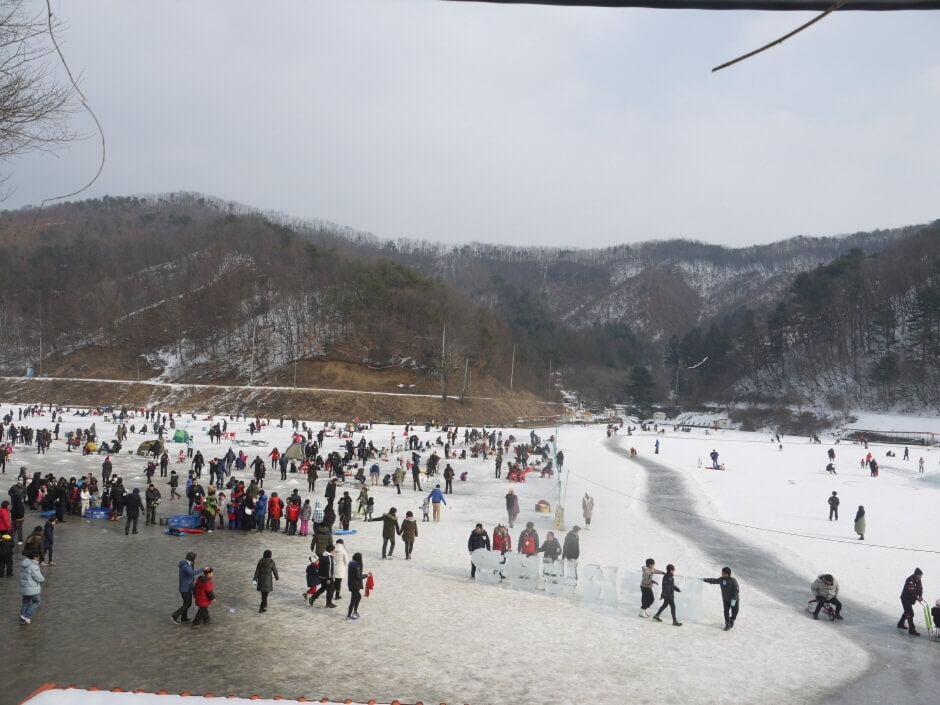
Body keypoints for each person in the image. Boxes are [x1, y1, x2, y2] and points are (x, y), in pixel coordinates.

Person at [171, 551, 204, 624]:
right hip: (185, 588)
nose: (196, 559)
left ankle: (184, 618)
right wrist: (202, 569)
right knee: (187, 604)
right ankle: (174, 616)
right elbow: (192, 573)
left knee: (186, 603)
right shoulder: (186, 566)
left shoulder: (188, 564)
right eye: (195, 558)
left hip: (186, 587)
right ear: (191, 558)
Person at [703, 566, 740, 631]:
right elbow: (713, 580)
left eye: (723, 573)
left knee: (735, 611)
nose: (722, 574)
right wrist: (704, 579)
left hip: (734, 599)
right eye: (722, 573)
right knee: (726, 611)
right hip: (726, 599)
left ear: (727, 574)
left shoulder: (733, 580)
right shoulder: (721, 579)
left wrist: (734, 599)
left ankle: (732, 619)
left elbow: (736, 590)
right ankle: (727, 624)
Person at [897, 568, 924, 635]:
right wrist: (917, 598)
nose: (921, 577)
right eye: (920, 575)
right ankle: (912, 630)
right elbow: (911, 591)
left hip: (910, 599)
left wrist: (920, 596)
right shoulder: (910, 580)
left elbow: (920, 588)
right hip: (905, 599)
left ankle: (900, 624)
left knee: (907, 612)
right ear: (916, 575)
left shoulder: (918, 580)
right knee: (910, 614)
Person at [19, 551, 44, 624]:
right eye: (38, 558)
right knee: (36, 602)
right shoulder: (33, 566)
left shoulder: (24, 565)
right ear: (35, 557)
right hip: (33, 589)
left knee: (25, 603)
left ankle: (22, 620)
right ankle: (25, 615)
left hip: (24, 588)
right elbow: (38, 577)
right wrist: (43, 580)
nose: (38, 559)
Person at [346, 552, 364, 620]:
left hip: (351, 584)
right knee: (353, 600)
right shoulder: (357, 565)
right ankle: (349, 616)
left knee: (358, 597)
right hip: (355, 585)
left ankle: (355, 612)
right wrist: (366, 575)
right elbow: (358, 577)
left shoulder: (351, 563)